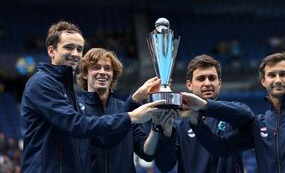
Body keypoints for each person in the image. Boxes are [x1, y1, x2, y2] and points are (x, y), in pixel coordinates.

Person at [20, 21, 164, 173]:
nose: (75, 53)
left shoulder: (66, 90)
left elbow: (104, 139)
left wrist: (134, 101)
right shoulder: (42, 82)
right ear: (51, 51)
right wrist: (130, 116)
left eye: (79, 49)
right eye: (68, 47)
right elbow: (76, 124)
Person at [182, 52, 285, 172]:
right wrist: (196, 122)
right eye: (271, 75)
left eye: (283, 74)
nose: (277, 80)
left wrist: (205, 105)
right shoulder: (259, 124)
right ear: (263, 81)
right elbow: (221, 148)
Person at [77, 48, 175, 173]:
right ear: (85, 74)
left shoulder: (123, 107)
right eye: (96, 67)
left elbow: (146, 153)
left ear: (113, 75)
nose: (102, 72)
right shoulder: (76, 108)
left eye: (107, 68)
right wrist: (135, 99)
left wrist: (156, 127)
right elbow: (105, 138)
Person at [155, 54, 254, 173]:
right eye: (201, 79)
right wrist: (166, 135)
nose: (207, 83)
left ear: (219, 83)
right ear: (189, 84)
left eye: (212, 78)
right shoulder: (178, 124)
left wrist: (204, 105)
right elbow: (164, 166)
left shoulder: (232, 114)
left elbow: (247, 116)